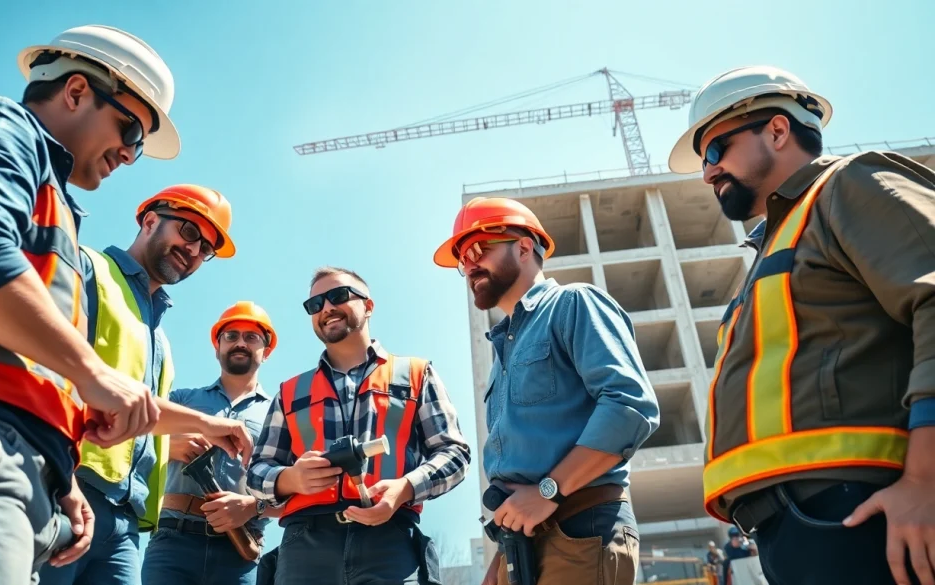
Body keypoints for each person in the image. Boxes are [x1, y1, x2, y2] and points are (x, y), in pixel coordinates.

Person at [0, 24, 183, 585]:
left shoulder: (54, 206)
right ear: (77, 91)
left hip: (9, 466)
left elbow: (31, 359)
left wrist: (65, 475)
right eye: (129, 128)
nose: (131, 155)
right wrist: (91, 371)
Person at [668, 65, 935, 585]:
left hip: (861, 512)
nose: (707, 172)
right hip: (795, 527)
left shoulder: (851, 184)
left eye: (716, 150)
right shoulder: (780, 243)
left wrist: (927, 480)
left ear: (777, 129)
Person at [432, 197, 660, 585]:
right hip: (521, 539)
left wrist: (548, 491)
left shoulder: (574, 303)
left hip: (579, 529)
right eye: (461, 258)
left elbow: (630, 407)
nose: (468, 265)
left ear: (523, 246)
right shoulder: (502, 353)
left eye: (477, 249)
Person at [38, 184, 252, 585]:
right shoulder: (88, 269)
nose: (193, 250)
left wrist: (205, 427)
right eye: (189, 232)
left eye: (205, 248)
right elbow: (44, 373)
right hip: (68, 489)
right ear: (150, 220)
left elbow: (140, 412)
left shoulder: (162, 341)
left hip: (126, 521)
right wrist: (58, 474)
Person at [249, 267, 471, 585]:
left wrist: (404, 488)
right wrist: (290, 478)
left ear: (368, 306)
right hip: (305, 549)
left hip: (391, 539)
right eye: (315, 305)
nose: (326, 308)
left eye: (338, 296)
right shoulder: (289, 392)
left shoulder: (416, 374)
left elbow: (454, 453)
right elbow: (257, 472)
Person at [142, 302, 283, 585]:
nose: (240, 343)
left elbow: (294, 493)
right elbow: (130, 441)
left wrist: (253, 506)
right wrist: (167, 447)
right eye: (231, 336)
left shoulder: (280, 414)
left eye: (251, 337)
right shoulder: (182, 401)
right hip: (173, 544)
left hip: (240, 552)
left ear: (266, 352)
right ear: (217, 347)